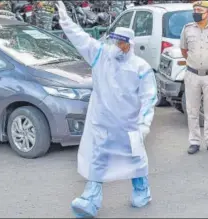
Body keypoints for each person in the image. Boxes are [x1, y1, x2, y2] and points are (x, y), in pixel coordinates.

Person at [55, 1, 158, 217]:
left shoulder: (141, 68)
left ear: (130, 44)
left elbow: (149, 98)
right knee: (98, 159)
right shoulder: (100, 56)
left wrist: (144, 125)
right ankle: (90, 200)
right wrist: (65, 21)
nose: (116, 46)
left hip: (129, 126)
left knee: (136, 161)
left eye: (121, 43)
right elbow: (80, 37)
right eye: (114, 41)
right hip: (102, 124)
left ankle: (142, 192)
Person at [180, 1, 208, 155]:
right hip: (192, 74)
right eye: (194, 10)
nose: (196, 12)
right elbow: (184, 50)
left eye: (199, 10)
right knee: (192, 109)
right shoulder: (187, 29)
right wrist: (196, 64)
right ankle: (194, 141)